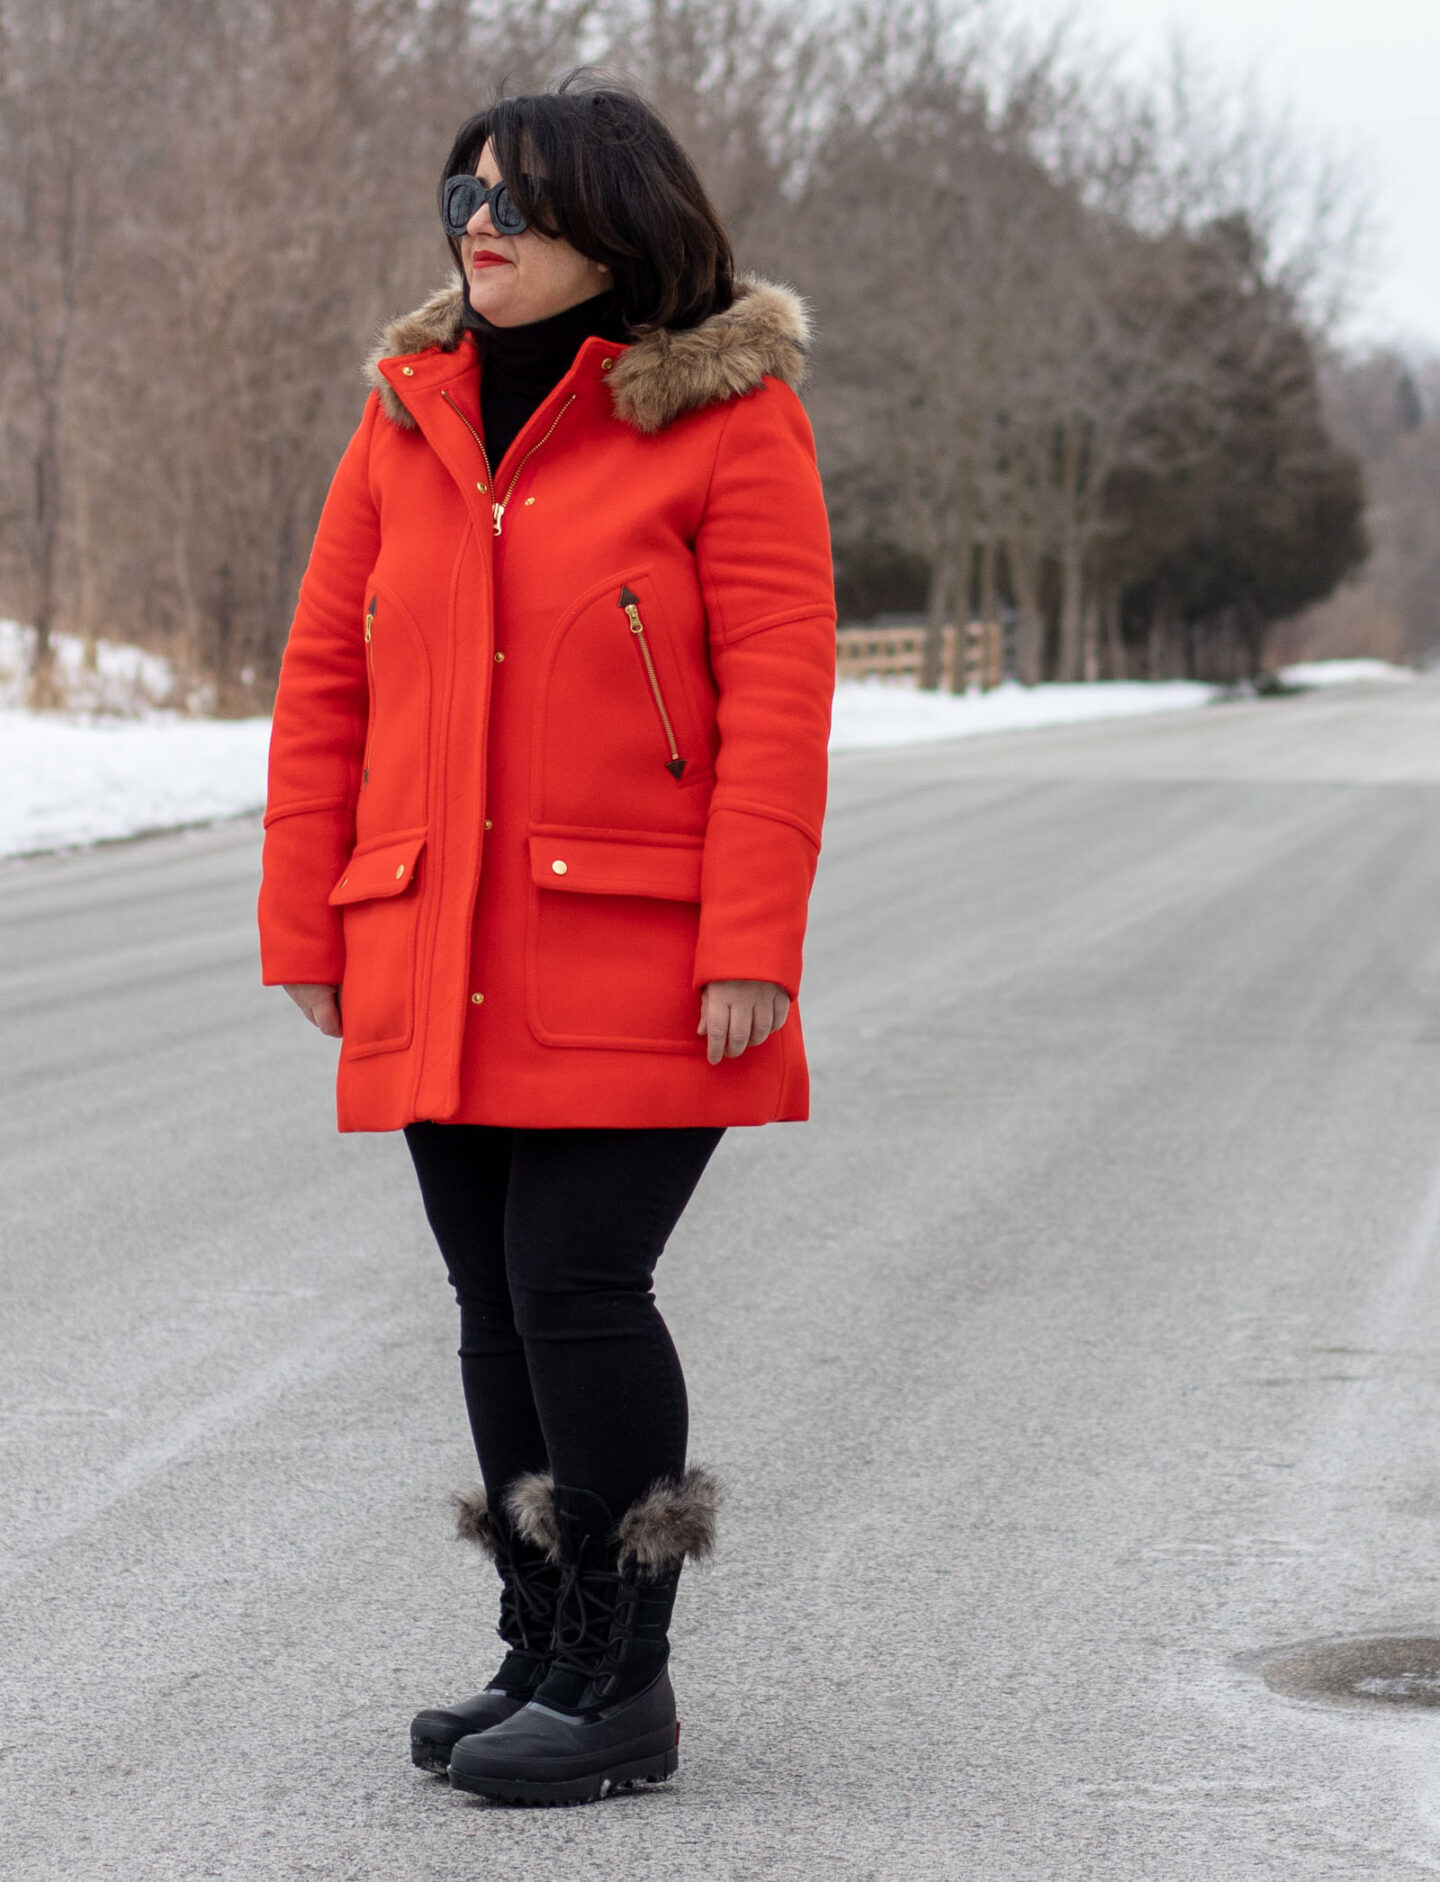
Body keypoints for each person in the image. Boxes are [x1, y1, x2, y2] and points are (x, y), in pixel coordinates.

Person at [257, 77, 835, 1807]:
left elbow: (781, 701)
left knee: (577, 1284)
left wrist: (753, 936)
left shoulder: (729, 421)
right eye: (463, 197)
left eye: (515, 199)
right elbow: (327, 677)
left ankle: (627, 1682)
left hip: (640, 949)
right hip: (435, 939)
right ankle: (547, 1639)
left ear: (617, 219)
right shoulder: (407, 409)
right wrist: (308, 913)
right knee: (491, 1303)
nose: (477, 225)